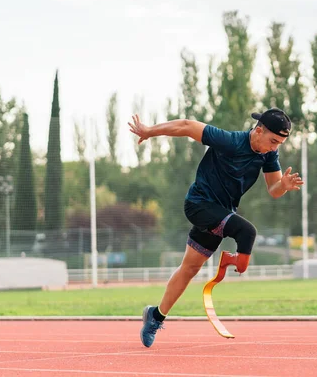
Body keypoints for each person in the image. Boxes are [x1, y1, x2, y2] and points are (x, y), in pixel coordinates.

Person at [128, 107, 304, 348]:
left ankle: (155, 316)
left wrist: (282, 184)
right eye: (273, 141)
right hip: (199, 204)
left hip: (219, 215)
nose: (275, 147)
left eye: (280, 144)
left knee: (189, 268)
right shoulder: (230, 141)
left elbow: (273, 190)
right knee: (247, 232)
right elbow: (188, 126)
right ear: (259, 131)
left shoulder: (268, 156)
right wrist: (149, 131)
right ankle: (231, 261)